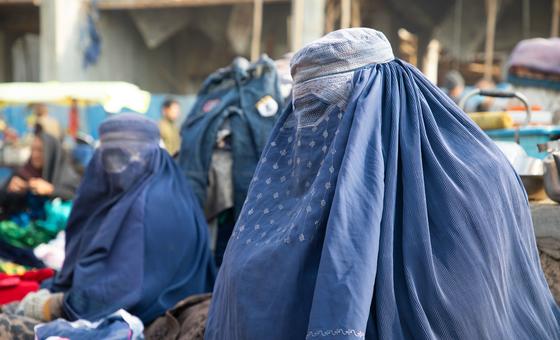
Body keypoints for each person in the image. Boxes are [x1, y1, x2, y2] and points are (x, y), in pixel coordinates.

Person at [205, 28, 560, 339]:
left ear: (377, 101)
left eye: (325, 107)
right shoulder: (290, 185)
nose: (311, 126)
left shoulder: (476, 182)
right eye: (304, 109)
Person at [0, 114, 216, 338]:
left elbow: (119, 292)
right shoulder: (161, 188)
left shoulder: (147, 207)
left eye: (128, 157)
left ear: (152, 154)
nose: (118, 169)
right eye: (110, 158)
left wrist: (54, 305)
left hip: (150, 323)